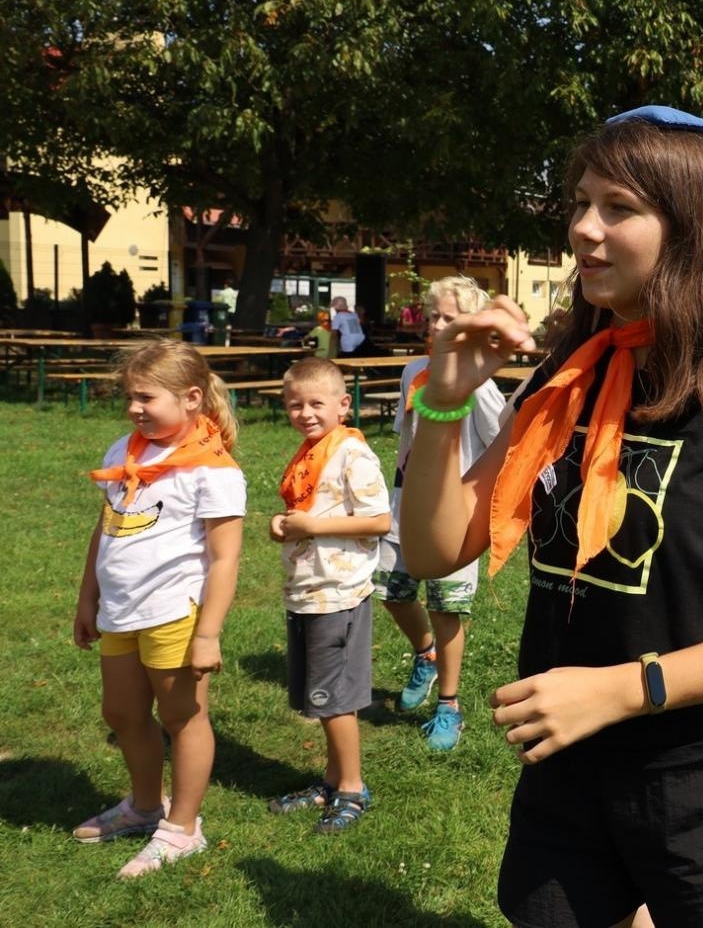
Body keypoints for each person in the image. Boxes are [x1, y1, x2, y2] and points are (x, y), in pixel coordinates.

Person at [399, 105, 703, 927]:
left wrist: (625, 689)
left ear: (690, 227)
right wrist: (444, 405)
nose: (583, 229)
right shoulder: (570, 372)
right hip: (568, 766)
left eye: (618, 208)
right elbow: (434, 549)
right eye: (579, 203)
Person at [72, 340, 245, 878]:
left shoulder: (213, 470)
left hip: (174, 613)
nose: (133, 408)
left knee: (181, 717)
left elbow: (224, 558)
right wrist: (87, 596)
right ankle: (146, 806)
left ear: (192, 398)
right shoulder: (124, 451)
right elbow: (106, 529)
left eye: (146, 397)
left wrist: (208, 633)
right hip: (120, 610)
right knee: (121, 714)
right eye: (130, 396)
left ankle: (182, 828)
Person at [377, 275, 506, 750]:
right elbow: (405, 437)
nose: (438, 325)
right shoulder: (414, 373)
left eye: (451, 318)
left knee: (446, 609)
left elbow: (500, 444)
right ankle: (424, 655)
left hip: (455, 515)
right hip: (405, 504)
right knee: (391, 592)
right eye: (434, 316)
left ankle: (449, 706)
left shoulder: (480, 384)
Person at [266, 357, 391, 834]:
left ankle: (353, 789)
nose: (305, 412)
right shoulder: (310, 453)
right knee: (319, 696)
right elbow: (305, 511)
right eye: (294, 404)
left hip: (337, 595)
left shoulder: (353, 454)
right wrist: (284, 526)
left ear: (343, 404)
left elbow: (379, 520)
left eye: (316, 403)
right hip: (307, 589)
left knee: (335, 699)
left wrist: (313, 526)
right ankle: (332, 779)